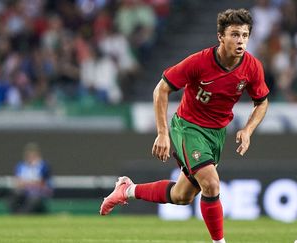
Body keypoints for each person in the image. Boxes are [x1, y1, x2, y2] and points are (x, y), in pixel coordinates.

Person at [100, 8, 269, 243]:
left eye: (244, 35)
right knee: (211, 183)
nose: (240, 40)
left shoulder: (252, 67)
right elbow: (161, 89)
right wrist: (162, 133)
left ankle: (127, 190)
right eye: (234, 34)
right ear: (221, 36)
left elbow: (261, 102)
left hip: (216, 134)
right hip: (188, 127)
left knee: (181, 196)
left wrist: (248, 130)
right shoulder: (199, 62)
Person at [9, 142, 53, 214]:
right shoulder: (21, 166)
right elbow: (18, 181)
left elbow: (42, 183)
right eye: (28, 155)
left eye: (33, 154)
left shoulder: (43, 166)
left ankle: (23, 216)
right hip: (24, 192)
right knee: (14, 195)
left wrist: (28, 183)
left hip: (38, 193)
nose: (30, 157)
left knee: (33, 199)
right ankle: (16, 215)